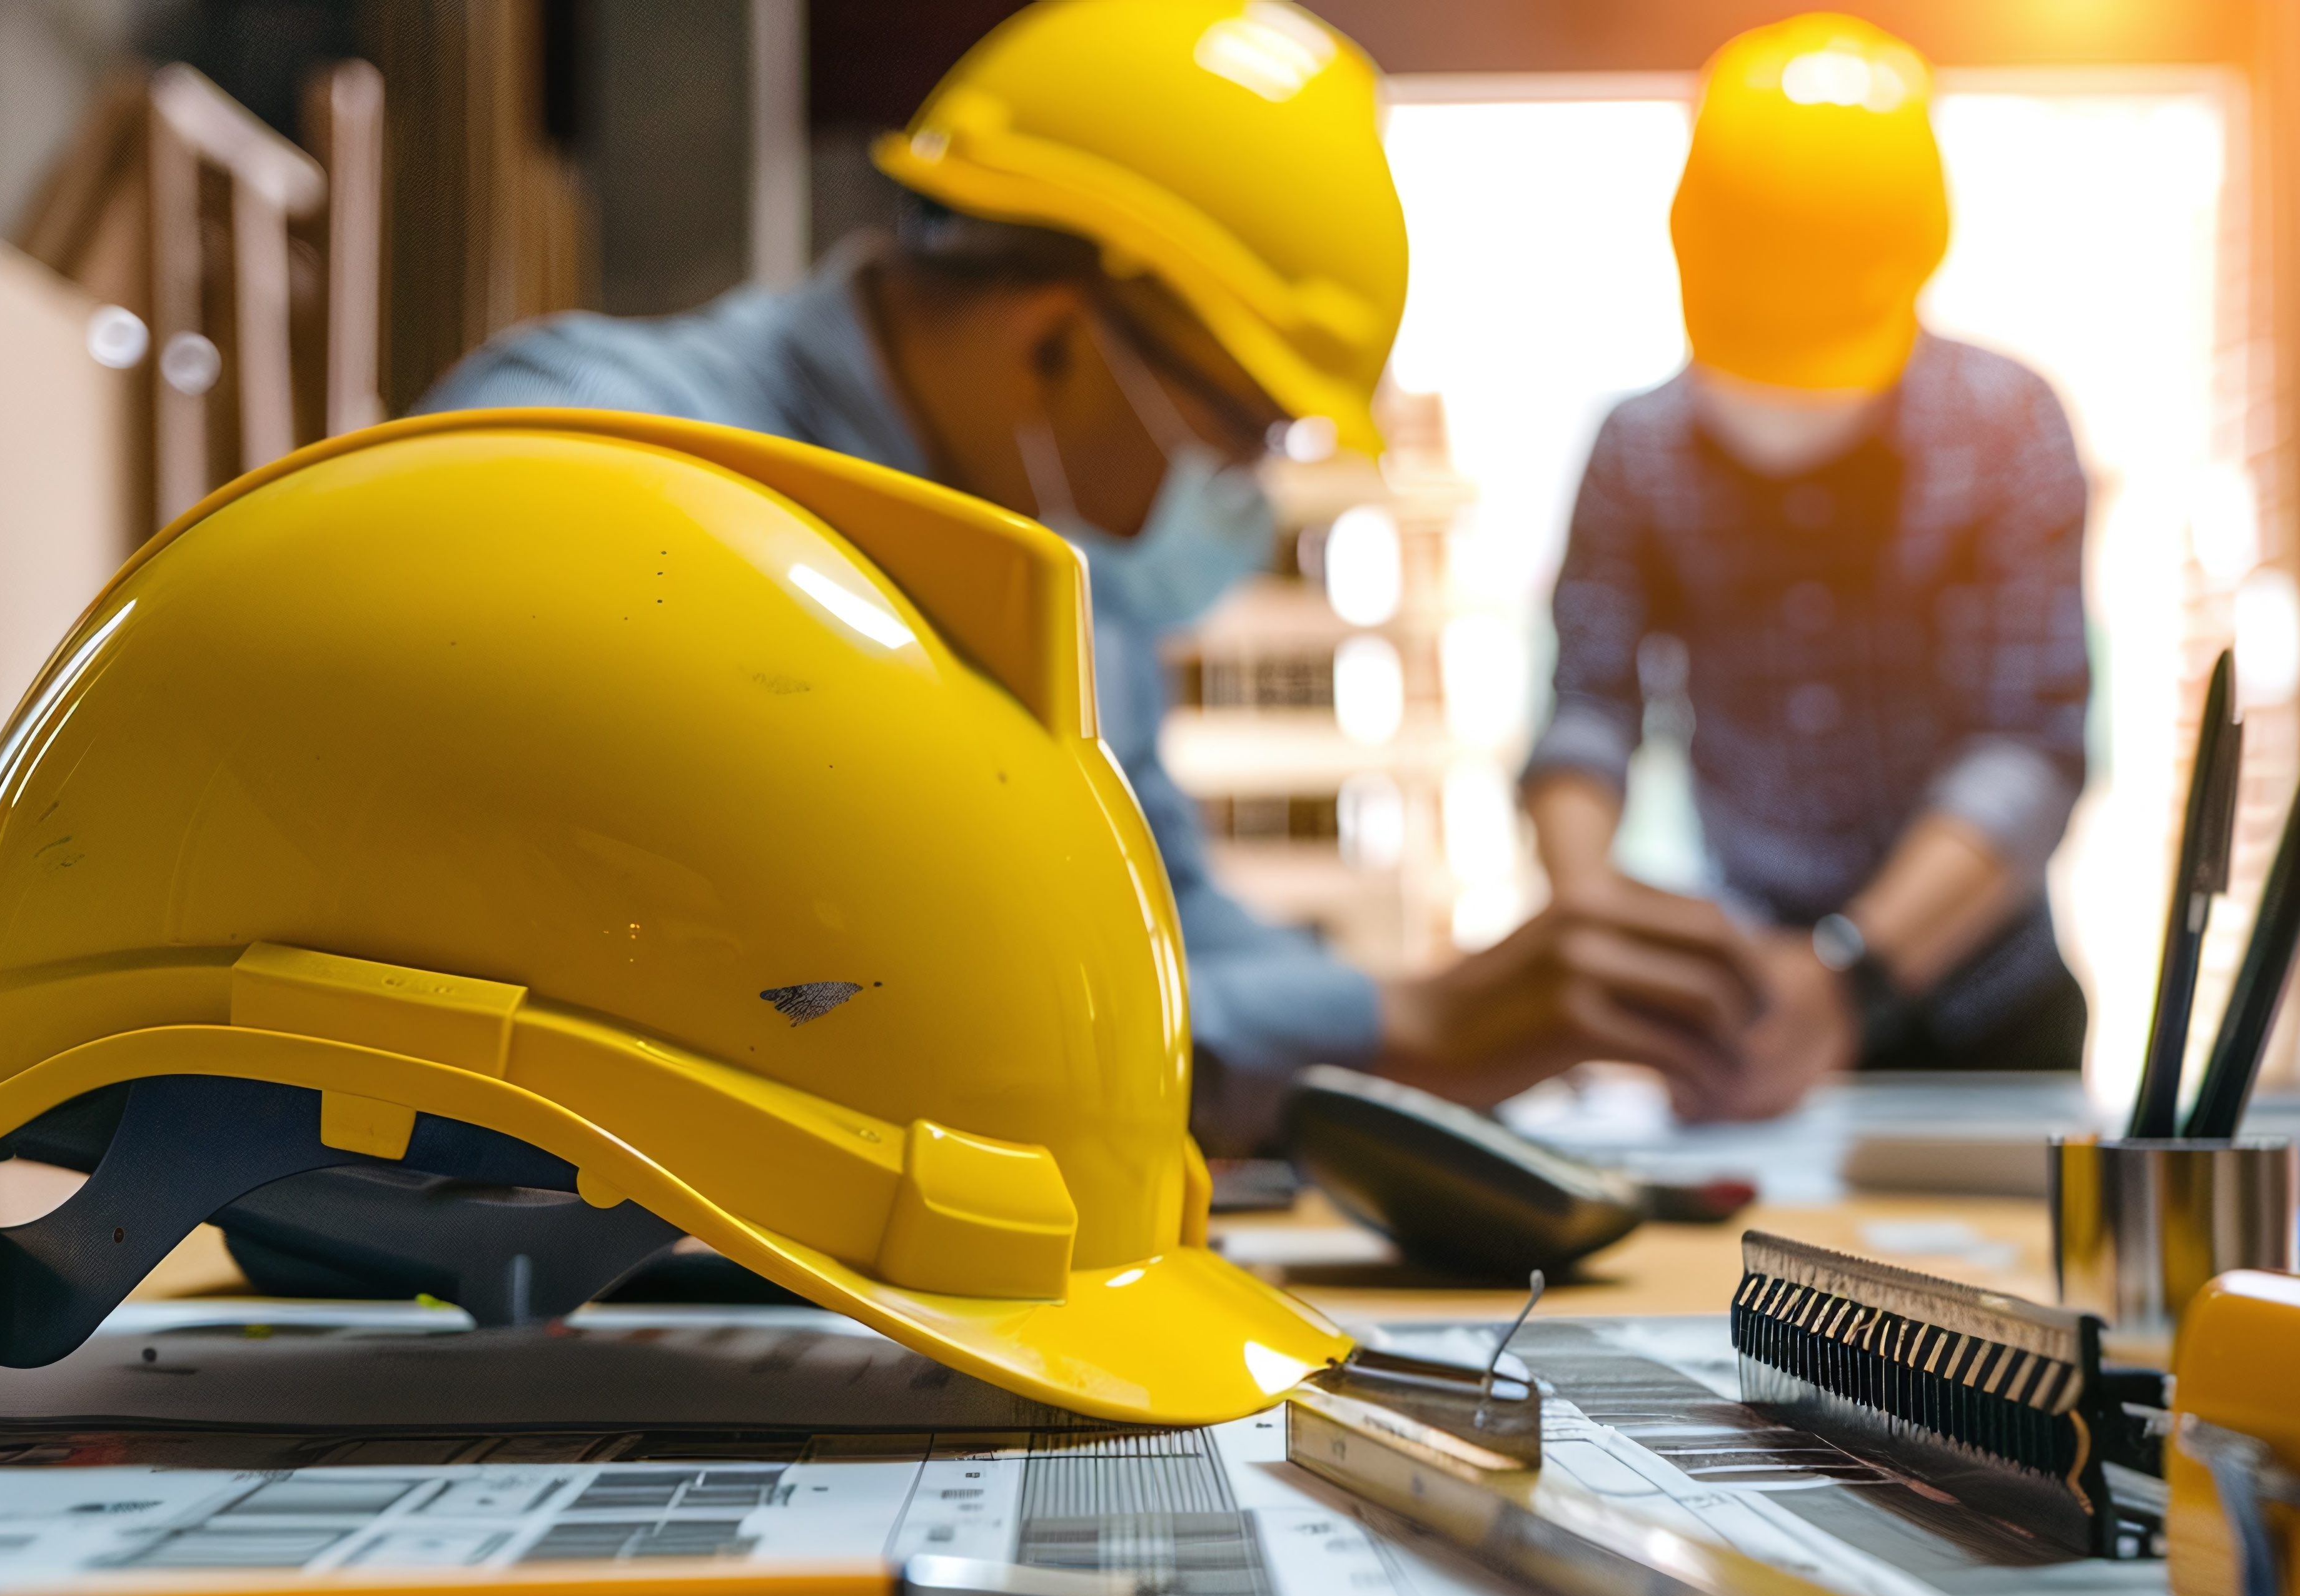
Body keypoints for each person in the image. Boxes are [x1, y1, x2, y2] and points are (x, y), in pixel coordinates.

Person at [421, 0, 1765, 1147]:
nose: (1248, 495)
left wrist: (1429, 1018)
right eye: (1242, 434)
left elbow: (1161, 926)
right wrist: (1399, 1027)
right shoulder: (600, 465)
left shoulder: (1059, 576)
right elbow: (807, 997)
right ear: (1057, 345)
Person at [1521, 13, 2094, 1123]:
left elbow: (2027, 745)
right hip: (1745, 1030)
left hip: (1985, 1018)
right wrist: (1594, 946)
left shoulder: (2008, 430)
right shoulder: (1637, 452)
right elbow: (1587, 711)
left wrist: (1851, 971)